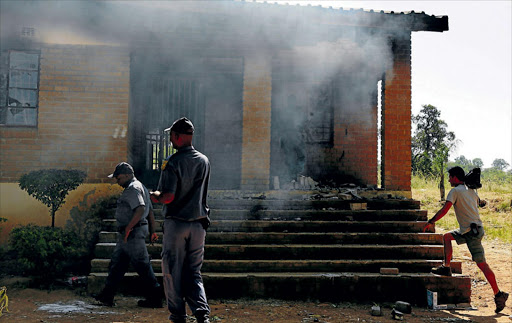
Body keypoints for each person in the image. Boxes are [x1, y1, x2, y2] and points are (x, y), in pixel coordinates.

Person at [423, 166, 508, 313]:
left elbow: (445, 210)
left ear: (455, 177)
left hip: (472, 233)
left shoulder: (455, 191)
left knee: (482, 265)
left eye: (450, 177)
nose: (449, 179)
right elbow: (477, 204)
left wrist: (431, 221)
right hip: (469, 230)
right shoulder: (471, 190)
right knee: (447, 237)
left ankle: (498, 294)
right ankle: (446, 268)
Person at [150, 117, 211, 323]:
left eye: (171, 136)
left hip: (177, 224)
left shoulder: (173, 162)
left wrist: (154, 195)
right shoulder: (204, 160)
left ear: (177, 136)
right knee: (194, 271)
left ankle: (178, 315)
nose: (170, 140)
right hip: (199, 225)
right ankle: (202, 312)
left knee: (172, 271)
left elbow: (168, 196)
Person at [94, 162, 163, 308]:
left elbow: (140, 209)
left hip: (133, 233)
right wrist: (152, 231)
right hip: (133, 232)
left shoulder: (133, 188)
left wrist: (128, 229)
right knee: (118, 264)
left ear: (127, 175)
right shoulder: (142, 187)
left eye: (118, 178)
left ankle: (155, 297)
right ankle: (107, 295)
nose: (117, 182)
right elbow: (150, 211)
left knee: (142, 265)